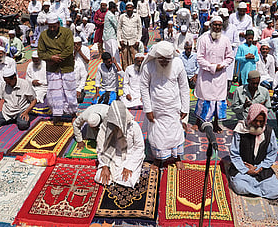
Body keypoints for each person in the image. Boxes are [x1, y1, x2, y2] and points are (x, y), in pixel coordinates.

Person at [140, 41, 190, 171]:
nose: (164, 62)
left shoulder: (178, 64)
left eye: (167, 60)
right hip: (156, 108)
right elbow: (144, 87)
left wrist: (185, 107)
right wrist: (148, 109)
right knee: (157, 135)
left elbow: (184, 86)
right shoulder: (149, 66)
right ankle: (157, 159)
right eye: (161, 59)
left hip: (174, 106)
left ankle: (177, 158)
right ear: (156, 57)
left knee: (175, 133)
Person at [229, 103, 278, 199]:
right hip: (243, 169)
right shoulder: (240, 130)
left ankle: (254, 190)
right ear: (250, 118)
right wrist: (247, 170)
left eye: (261, 121)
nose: (258, 124)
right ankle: (260, 189)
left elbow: (272, 153)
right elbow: (234, 154)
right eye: (255, 120)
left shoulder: (268, 132)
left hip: (261, 169)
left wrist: (259, 167)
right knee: (240, 187)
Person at [194, 16, 234, 131]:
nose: (217, 27)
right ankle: (199, 121)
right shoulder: (203, 38)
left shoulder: (225, 39)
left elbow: (230, 56)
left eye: (219, 25)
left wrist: (222, 65)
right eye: (215, 25)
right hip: (206, 75)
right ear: (211, 25)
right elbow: (200, 58)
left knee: (218, 99)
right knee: (203, 98)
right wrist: (212, 67)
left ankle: (216, 123)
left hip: (220, 75)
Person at [38, 13, 77, 124]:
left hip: (66, 67)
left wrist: (57, 58)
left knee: (69, 90)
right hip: (52, 68)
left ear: (58, 24)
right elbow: (40, 52)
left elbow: (69, 49)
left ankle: (73, 112)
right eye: (50, 26)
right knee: (54, 92)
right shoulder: (44, 35)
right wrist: (51, 57)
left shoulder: (67, 32)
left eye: (54, 26)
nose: (52, 29)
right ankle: (57, 115)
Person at [95, 100, 145, 188]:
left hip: (130, 156)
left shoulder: (133, 126)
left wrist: (129, 166)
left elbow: (139, 147)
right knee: (100, 177)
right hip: (111, 156)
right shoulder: (105, 126)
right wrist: (105, 166)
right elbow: (100, 147)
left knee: (128, 179)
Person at [118, 2, 142, 70]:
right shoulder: (122, 17)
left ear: (133, 8)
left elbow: (139, 29)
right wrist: (120, 40)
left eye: (130, 8)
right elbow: (119, 29)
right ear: (125, 9)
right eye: (128, 8)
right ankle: (126, 74)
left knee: (134, 58)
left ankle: (135, 73)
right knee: (124, 60)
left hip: (134, 41)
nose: (129, 9)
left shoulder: (137, 17)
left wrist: (138, 40)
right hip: (124, 41)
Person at [73, 36, 90, 104]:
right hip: (74, 68)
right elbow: (71, 61)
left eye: (78, 44)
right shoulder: (72, 49)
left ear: (81, 44)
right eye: (75, 44)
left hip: (83, 69)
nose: (76, 46)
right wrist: (75, 52)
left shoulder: (85, 49)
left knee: (79, 99)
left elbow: (87, 61)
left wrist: (80, 52)